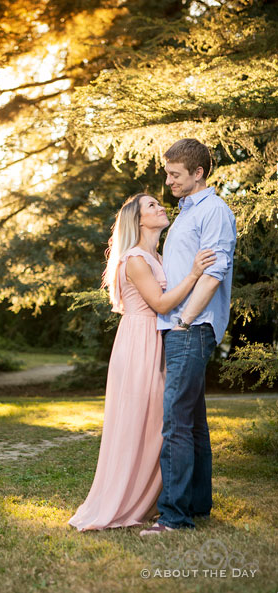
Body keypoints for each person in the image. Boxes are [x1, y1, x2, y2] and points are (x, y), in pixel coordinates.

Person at [68, 192, 216, 531]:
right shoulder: (135, 259)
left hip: (158, 338)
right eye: (152, 206)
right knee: (141, 423)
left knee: (155, 424)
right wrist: (194, 273)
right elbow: (162, 304)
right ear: (138, 220)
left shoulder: (157, 256)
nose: (161, 206)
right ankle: (125, 498)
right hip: (139, 342)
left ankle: (158, 497)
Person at [140, 138, 236, 535]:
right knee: (193, 423)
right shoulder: (187, 212)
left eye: (175, 174)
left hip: (190, 329)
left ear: (198, 173)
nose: (168, 181)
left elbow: (214, 272)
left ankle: (175, 517)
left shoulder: (213, 211)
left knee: (176, 424)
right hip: (184, 328)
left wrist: (184, 321)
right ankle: (196, 505)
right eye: (167, 173)